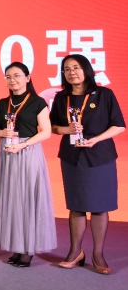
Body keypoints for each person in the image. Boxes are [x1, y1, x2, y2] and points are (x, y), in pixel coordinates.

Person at [50, 54, 125, 274]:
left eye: (76, 67)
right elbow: (52, 126)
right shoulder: (61, 97)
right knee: (76, 206)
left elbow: (119, 125)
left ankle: (98, 254)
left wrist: (96, 139)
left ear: (86, 70)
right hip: (72, 156)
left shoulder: (104, 94)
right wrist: (66, 129)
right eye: (66, 69)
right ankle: (75, 251)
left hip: (100, 156)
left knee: (100, 207)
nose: (71, 72)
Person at [0, 62, 57, 268]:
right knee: (10, 199)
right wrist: (1, 133)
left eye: (17, 75)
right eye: (8, 76)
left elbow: (46, 131)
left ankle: (28, 249)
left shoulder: (37, 102)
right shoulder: (2, 103)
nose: (12, 80)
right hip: (7, 153)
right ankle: (17, 246)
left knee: (27, 199)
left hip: (28, 151)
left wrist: (23, 144)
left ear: (27, 78)